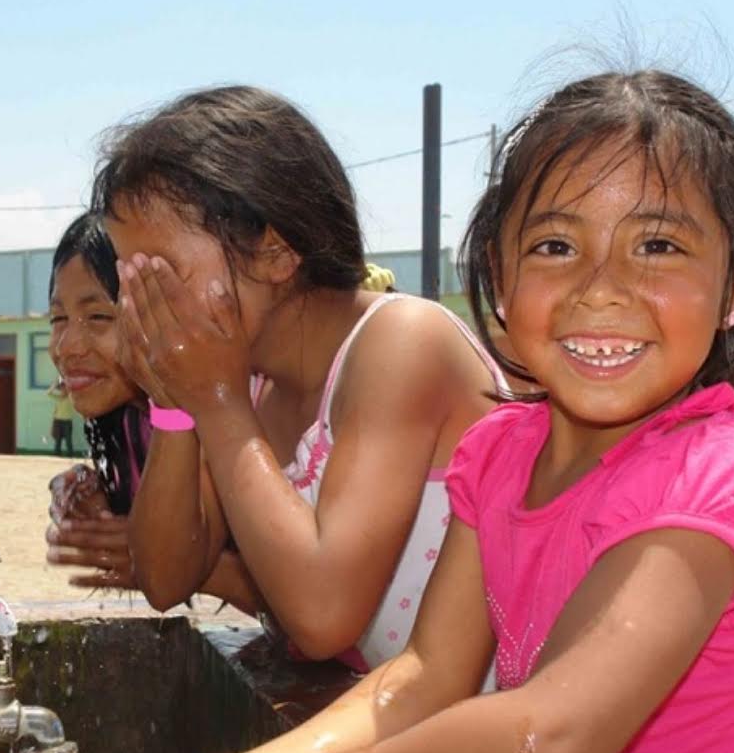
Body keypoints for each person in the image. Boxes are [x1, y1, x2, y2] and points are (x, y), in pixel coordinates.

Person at [131, 71, 734, 753]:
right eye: (553, 246)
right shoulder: (498, 452)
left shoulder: (717, 474)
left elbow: (548, 737)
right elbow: (425, 676)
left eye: (656, 246)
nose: (600, 287)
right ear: (497, 276)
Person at [97, 85, 511, 674]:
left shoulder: (402, 343)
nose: (140, 305)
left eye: (161, 277)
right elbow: (165, 577)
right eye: (128, 280)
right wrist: (173, 405)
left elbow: (323, 615)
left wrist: (216, 402)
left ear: (275, 253)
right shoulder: (254, 386)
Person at [42, 211, 263, 611]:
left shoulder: (227, 414)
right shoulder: (131, 419)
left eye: (98, 317)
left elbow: (306, 601)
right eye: (59, 318)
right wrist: (102, 497)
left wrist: (155, 557)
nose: (67, 346)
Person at [46, 378, 76, 456]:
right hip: (58, 421)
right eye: (62, 388)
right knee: (57, 440)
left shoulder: (71, 398)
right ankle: (57, 455)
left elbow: (75, 391)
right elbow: (48, 393)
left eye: (64, 388)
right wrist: (55, 384)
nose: (63, 390)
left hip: (67, 421)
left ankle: (70, 455)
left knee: (68, 440)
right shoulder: (58, 397)